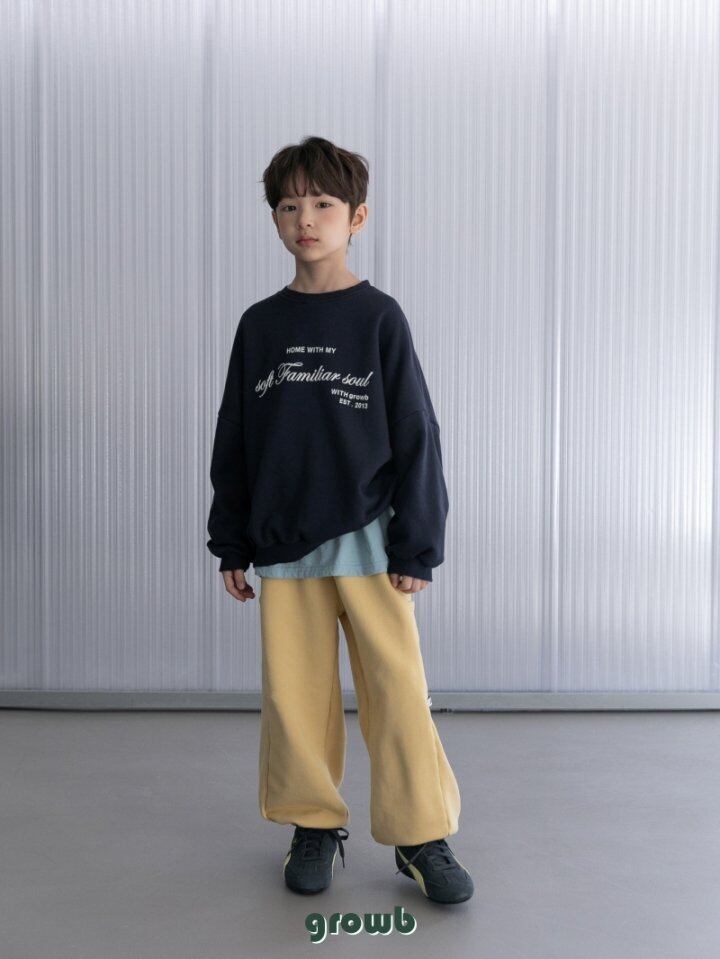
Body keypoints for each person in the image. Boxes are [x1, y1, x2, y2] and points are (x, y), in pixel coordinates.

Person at [206, 136, 473, 905]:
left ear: (357, 216)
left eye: (323, 204)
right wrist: (231, 538)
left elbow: (417, 432)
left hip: (370, 539)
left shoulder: (379, 317)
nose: (305, 219)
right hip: (284, 542)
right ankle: (313, 823)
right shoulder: (260, 325)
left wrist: (418, 543)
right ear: (275, 218)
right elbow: (236, 438)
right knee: (296, 697)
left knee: (397, 690)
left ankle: (421, 834)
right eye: (289, 205)